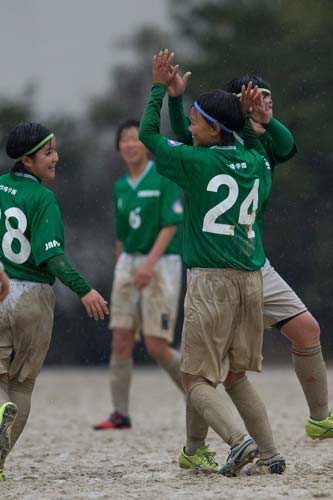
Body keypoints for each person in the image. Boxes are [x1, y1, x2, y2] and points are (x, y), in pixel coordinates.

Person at [139, 49, 285, 477]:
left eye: (198, 121)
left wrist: (159, 90)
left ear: (216, 128)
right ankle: (272, 452)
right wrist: (244, 122)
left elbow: (151, 136)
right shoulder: (258, 163)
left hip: (212, 280)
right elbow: (252, 144)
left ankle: (239, 443)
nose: (190, 128)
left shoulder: (195, 162)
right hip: (251, 278)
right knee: (236, 375)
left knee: (194, 379)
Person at [168, 69, 333, 449]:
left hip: (254, 262)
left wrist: (265, 118)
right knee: (209, 371)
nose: (264, 105)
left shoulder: (264, 143)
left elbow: (290, 146)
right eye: (256, 99)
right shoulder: (221, 144)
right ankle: (196, 448)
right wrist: (177, 100)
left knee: (307, 330)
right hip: (216, 266)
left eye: (269, 100)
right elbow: (183, 130)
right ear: (235, 109)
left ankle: (320, 419)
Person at [0, 122, 109, 480]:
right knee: (22, 386)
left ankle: (1, 409)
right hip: (32, 296)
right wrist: (84, 290)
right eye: (48, 152)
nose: (56, 158)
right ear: (27, 161)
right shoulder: (43, 198)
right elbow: (52, 256)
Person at [93, 119, 184, 431]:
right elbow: (121, 235)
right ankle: (120, 412)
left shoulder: (163, 175)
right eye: (124, 139)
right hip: (129, 264)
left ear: (145, 144)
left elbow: (171, 224)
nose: (130, 144)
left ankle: (199, 397)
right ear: (119, 147)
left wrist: (148, 265)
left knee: (156, 345)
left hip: (161, 264)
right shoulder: (120, 186)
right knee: (120, 338)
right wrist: (123, 266)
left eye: (135, 138)